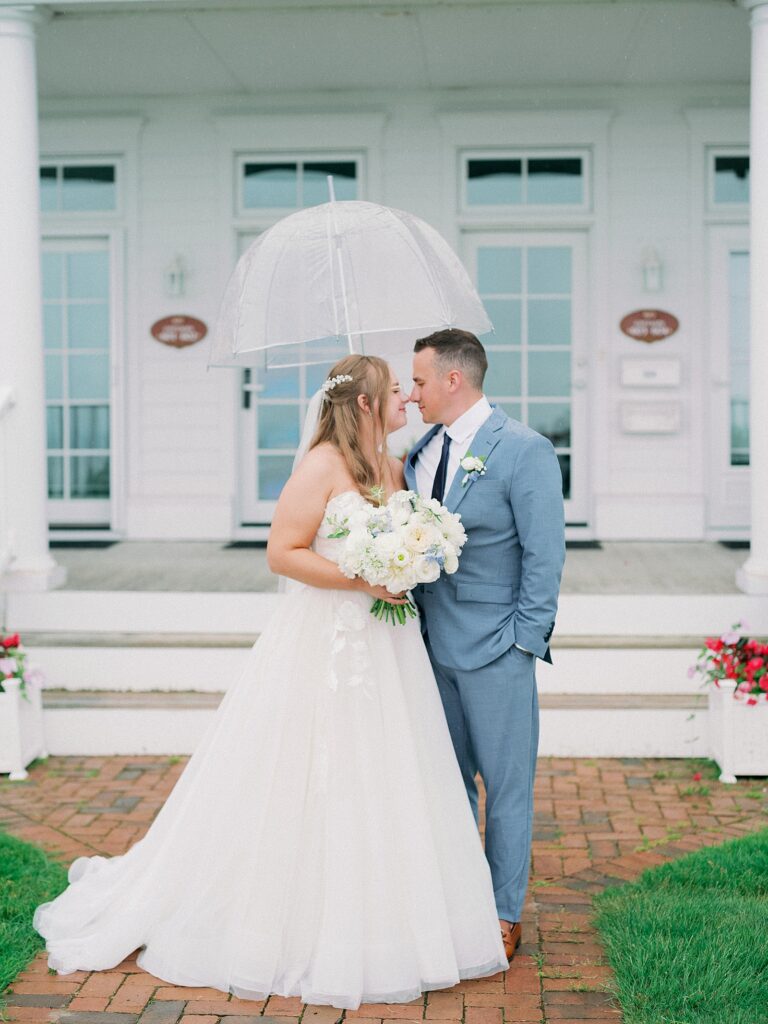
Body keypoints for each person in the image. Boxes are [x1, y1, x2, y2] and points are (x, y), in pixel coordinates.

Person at [34, 354, 508, 1011]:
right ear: (365, 402)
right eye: (395, 390)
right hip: (329, 639)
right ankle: (295, 926)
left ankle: (397, 925)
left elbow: (406, 542)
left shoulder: (396, 467)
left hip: (391, 644)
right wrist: (361, 578)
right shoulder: (322, 465)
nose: (405, 398)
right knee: (315, 770)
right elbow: (283, 551)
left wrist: (410, 562)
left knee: (391, 768)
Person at [405, 329, 566, 961]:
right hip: (428, 645)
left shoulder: (524, 449)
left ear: (453, 379)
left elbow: (544, 555)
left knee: (506, 788)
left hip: (497, 647)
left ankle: (502, 911)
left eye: (419, 381)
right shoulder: (421, 451)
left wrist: (524, 640)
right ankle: (453, 900)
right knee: (446, 784)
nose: (411, 394)